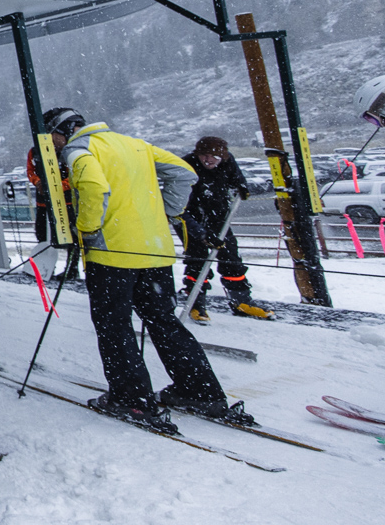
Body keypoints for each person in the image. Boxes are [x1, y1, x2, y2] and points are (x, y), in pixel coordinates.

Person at [44, 108, 255, 430]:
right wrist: (169, 209)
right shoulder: (134, 144)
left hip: (112, 253)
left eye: (52, 138)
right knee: (164, 322)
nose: (53, 145)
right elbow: (185, 173)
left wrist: (87, 228)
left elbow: (93, 185)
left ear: (62, 131)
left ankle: (132, 400)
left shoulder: (79, 149)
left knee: (115, 327)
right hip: (155, 251)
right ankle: (200, 392)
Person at [180, 136, 270, 321]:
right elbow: (179, 208)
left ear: (222, 156)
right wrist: (201, 234)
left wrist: (242, 186)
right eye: (204, 155)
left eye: (213, 156)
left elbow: (236, 177)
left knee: (231, 257)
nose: (208, 160)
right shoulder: (186, 167)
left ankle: (241, 301)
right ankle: (196, 303)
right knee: (198, 260)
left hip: (218, 216)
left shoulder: (228, 162)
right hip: (191, 219)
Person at [27, 143, 79, 281]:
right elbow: (30, 171)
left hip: (65, 202)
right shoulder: (34, 151)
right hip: (43, 203)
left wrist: (59, 186)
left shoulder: (66, 151)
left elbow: (74, 174)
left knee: (71, 237)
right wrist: (38, 182)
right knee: (42, 234)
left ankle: (71, 269)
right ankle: (45, 267)